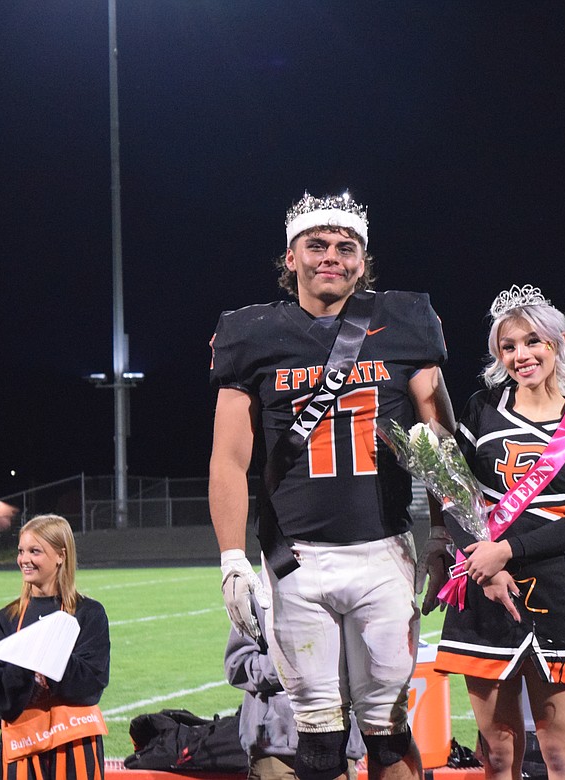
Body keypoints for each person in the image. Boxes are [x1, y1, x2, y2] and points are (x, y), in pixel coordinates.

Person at [208, 191, 455, 780]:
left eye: (347, 248)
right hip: (295, 560)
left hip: (383, 552)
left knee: (388, 729)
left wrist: (445, 532)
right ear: (290, 257)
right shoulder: (252, 333)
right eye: (316, 245)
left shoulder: (404, 320)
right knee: (316, 737)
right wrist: (231, 559)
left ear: (364, 262)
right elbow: (228, 458)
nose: (332, 258)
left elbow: (441, 439)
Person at [433, 285, 565, 780]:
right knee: (498, 748)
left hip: (550, 593)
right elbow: (452, 495)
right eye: (508, 347)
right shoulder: (481, 409)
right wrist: (482, 567)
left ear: (557, 343)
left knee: (558, 747)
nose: (521, 355)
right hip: (481, 590)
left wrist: (504, 552)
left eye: (533, 342)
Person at [0, 514, 110, 780]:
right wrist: (30, 664)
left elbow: (92, 683)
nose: (24, 559)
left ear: (61, 555)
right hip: (21, 748)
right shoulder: (6, 619)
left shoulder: (88, 614)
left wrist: (41, 654)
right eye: (21, 551)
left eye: (35, 551)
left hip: (75, 745)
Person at [225, 598, 366, 780]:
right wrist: (286, 664)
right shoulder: (259, 589)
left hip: (338, 744)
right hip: (277, 750)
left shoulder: (348, 584)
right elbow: (236, 666)